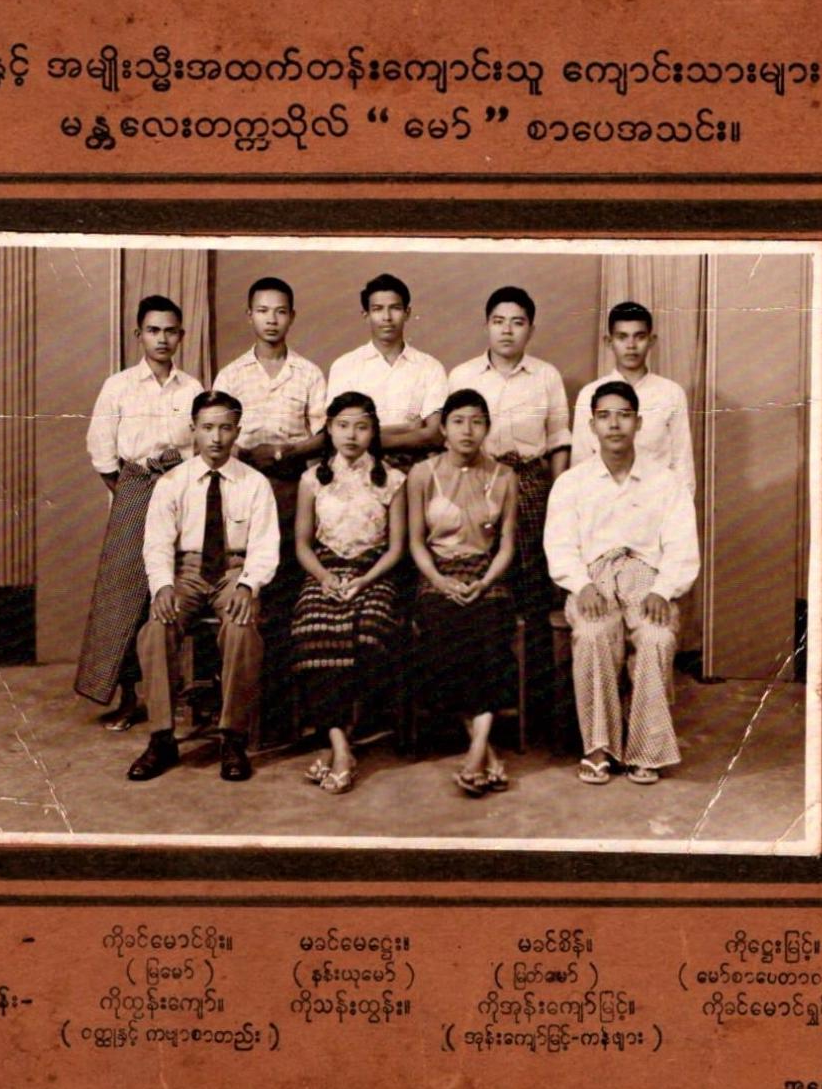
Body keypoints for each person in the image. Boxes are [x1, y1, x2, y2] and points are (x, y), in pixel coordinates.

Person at [543, 381, 700, 785]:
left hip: (647, 578)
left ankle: (645, 749)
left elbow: (682, 547)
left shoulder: (665, 482)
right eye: (604, 416)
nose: (615, 425)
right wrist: (580, 585)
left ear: (639, 422)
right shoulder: (572, 483)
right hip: (592, 577)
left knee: (656, 638)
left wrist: (663, 591)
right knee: (594, 634)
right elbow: (559, 545)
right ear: (592, 425)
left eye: (624, 415)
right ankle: (599, 747)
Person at [127, 390, 279, 783]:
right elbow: (157, 543)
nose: (216, 438)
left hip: (235, 571)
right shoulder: (173, 483)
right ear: (193, 430)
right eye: (208, 428)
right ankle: (162, 737)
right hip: (188, 573)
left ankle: (233, 737)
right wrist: (162, 587)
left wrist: (248, 586)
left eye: (226, 428)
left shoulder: (255, 484)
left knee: (243, 628)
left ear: (238, 432)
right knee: (156, 628)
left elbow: (265, 547)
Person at [75, 295, 202, 727]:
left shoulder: (193, 389)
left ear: (181, 336)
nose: (162, 339)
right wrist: (132, 493)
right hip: (133, 490)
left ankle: (175, 692)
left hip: (182, 496)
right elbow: (101, 451)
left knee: (171, 590)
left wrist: (171, 493)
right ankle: (128, 696)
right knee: (125, 596)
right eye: (153, 330)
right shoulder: (119, 386)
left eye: (170, 331)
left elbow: (199, 449)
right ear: (138, 335)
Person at [447, 285, 570, 723]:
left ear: (530, 329)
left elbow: (558, 441)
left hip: (532, 481)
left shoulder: (546, 376)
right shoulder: (462, 375)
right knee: (485, 580)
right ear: (487, 325)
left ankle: (533, 700)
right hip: (479, 479)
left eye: (517, 322)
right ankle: (487, 695)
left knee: (533, 584)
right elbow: (453, 440)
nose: (507, 330)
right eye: (499, 321)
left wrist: (557, 494)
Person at [213, 277, 327, 741]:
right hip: (243, 490)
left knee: (288, 596)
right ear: (250, 316)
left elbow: (322, 435)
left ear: (292, 316)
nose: (272, 320)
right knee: (249, 594)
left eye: (280, 311)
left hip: (291, 489)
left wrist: (284, 453)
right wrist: (248, 455)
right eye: (263, 311)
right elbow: (216, 434)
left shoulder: (309, 373)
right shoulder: (231, 374)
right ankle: (247, 711)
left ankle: (289, 709)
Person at [291, 393, 407, 794]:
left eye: (361, 426)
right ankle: (341, 748)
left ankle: (339, 741)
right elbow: (303, 544)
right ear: (329, 429)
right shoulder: (312, 479)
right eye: (342, 425)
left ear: (373, 431)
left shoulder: (392, 478)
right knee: (313, 631)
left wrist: (363, 580)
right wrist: (324, 578)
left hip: (374, 573)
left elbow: (396, 547)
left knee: (368, 632)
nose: (351, 435)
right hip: (325, 571)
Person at [408, 389, 519, 796]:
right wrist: (440, 582)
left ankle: (476, 748)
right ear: (443, 428)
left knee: (490, 633)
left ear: (487, 427)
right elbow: (416, 543)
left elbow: (506, 543)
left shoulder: (505, 476)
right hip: (437, 573)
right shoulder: (423, 473)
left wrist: (487, 581)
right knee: (445, 633)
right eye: (458, 421)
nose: (467, 430)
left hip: (487, 573)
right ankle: (485, 751)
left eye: (476, 421)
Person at [570, 301, 695, 493]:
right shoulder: (590, 394)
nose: (631, 346)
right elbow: (580, 462)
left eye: (639, 337)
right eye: (622, 337)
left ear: (651, 341)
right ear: (609, 342)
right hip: (602, 500)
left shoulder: (671, 393)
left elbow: (682, 463)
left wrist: (680, 512)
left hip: (657, 498)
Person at [325, 273, 446, 472]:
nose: (387, 317)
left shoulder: (430, 367)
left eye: (395, 308)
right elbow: (338, 434)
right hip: (358, 473)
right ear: (366, 315)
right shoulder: (345, 366)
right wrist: (409, 429)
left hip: (414, 472)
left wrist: (370, 437)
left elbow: (435, 435)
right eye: (377, 309)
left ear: (407, 312)